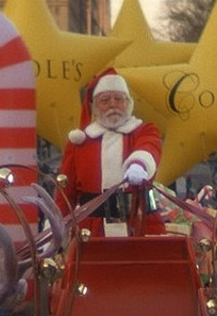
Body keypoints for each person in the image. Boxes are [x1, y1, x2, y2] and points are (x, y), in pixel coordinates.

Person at [55, 69, 164, 237]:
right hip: (93, 230)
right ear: (94, 107)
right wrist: (54, 229)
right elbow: (65, 193)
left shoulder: (143, 130)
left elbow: (149, 146)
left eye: (119, 99)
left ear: (129, 104)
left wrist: (139, 164)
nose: (113, 104)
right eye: (105, 100)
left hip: (140, 224)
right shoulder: (80, 142)